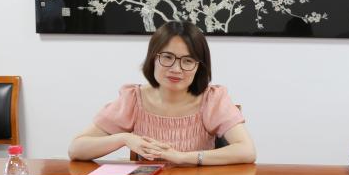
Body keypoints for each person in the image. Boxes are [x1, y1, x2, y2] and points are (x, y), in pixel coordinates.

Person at [69, 21, 256, 165]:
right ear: (153, 58)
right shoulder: (133, 99)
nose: (176, 69)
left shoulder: (212, 99)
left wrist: (182, 157)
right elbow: (76, 149)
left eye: (188, 61)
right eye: (167, 57)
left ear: (199, 66)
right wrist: (124, 139)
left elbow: (247, 151)